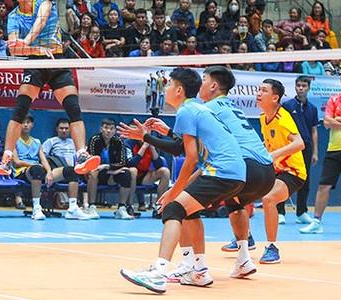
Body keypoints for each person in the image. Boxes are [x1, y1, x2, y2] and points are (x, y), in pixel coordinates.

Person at [118, 68, 246, 294]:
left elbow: (191, 158)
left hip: (221, 171)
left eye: (169, 84)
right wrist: (146, 136)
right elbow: (181, 147)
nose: (165, 88)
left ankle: (159, 273)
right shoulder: (196, 109)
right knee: (189, 212)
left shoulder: (187, 110)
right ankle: (199, 271)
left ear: (179, 90)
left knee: (173, 209)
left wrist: (174, 191)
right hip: (235, 173)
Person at [0, 0, 100, 177]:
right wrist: (37, 49)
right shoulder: (13, 17)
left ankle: (81, 154)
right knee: (20, 109)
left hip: (57, 60)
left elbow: (41, 21)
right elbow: (14, 50)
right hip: (36, 61)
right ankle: (6, 158)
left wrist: (26, 41)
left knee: (73, 107)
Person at [195, 68, 275, 279]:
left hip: (246, 167)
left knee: (185, 206)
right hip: (267, 172)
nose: (200, 84)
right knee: (235, 203)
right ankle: (244, 259)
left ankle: (192, 266)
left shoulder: (206, 109)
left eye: (204, 80)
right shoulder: (232, 106)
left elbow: (190, 151)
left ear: (213, 85)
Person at [300, 66, 341, 236]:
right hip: (334, 150)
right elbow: (326, 123)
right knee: (323, 186)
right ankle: (316, 222)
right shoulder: (333, 100)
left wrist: (337, 119)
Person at [256, 79, 307, 264]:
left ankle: (272, 248)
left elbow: (299, 143)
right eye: (258, 89)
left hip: (293, 172)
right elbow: (269, 143)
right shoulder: (263, 117)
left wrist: (275, 154)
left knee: (269, 199)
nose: (258, 93)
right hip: (275, 169)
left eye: (264, 90)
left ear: (274, 98)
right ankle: (245, 238)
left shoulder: (283, 117)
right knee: (241, 189)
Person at [280, 76, 319, 224]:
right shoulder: (286, 106)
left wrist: (315, 152)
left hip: (306, 147)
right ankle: (280, 212)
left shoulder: (313, 109)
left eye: (304, 86)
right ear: (295, 87)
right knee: (284, 178)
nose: (301, 88)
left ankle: (301, 212)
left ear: (309, 88)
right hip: (289, 147)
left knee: (305, 180)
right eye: (299, 85)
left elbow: (314, 131)